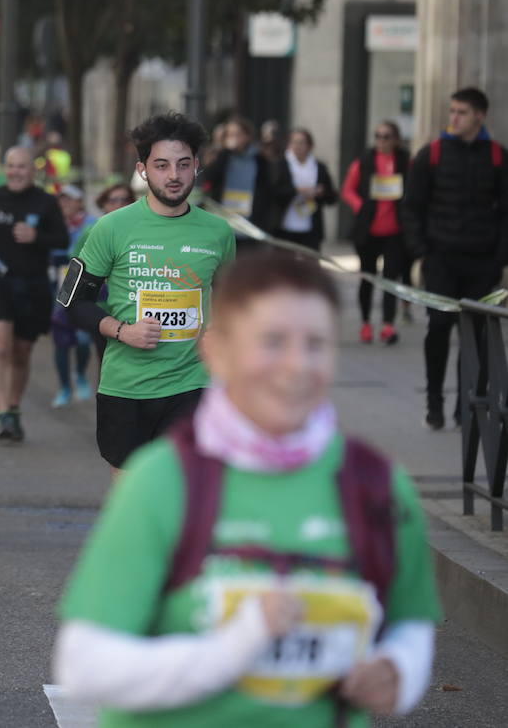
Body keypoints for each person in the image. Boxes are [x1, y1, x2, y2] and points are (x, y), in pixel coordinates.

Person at [54, 252, 439, 726]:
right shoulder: (162, 481)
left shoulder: (377, 484)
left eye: (316, 344)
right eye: (272, 342)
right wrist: (239, 644)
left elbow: (411, 626)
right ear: (216, 351)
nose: (297, 366)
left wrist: (399, 669)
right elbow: (85, 666)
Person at [60, 113, 234, 475]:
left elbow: (232, 300)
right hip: (127, 386)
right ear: (142, 170)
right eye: (162, 165)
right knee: (131, 500)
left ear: (197, 167)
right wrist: (123, 331)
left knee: (182, 492)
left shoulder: (218, 233)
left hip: (193, 383)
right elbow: (73, 302)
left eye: (183, 165)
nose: (174, 175)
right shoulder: (111, 228)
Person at [402, 86, 508, 430]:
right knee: (439, 326)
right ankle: (435, 401)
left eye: (461, 112)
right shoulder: (431, 155)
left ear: (479, 115)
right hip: (441, 259)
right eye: (452, 111)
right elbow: (412, 208)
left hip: (481, 261)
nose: (453, 118)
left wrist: (499, 260)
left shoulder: (497, 157)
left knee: (475, 334)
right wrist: (421, 252)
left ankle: (468, 405)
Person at [0, 147, 68, 442]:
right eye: (11, 166)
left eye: (22, 167)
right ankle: (3, 412)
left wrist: (36, 237)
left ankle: (14, 407)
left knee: (21, 351)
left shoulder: (46, 202)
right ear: (4, 168)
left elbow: (62, 239)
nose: (16, 172)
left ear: (33, 170)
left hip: (33, 285)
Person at [342, 121, 410, 346]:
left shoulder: (405, 162)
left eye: (386, 136)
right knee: (368, 277)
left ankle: (388, 325)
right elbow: (347, 190)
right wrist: (359, 205)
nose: (381, 140)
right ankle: (365, 323)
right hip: (368, 232)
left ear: (396, 139)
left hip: (395, 232)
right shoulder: (364, 161)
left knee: (391, 279)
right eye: (378, 136)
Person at [200, 116, 293, 240]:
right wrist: (225, 152)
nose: (234, 138)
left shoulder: (259, 159)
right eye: (230, 134)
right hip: (224, 221)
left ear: (247, 136)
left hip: (250, 222)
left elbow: (268, 190)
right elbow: (209, 179)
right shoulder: (221, 156)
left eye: (237, 134)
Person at [50, 184, 96, 407]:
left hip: (85, 285)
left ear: (80, 202)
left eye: (71, 199)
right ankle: (64, 387)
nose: (65, 204)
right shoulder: (54, 223)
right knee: (60, 338)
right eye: (62, 199)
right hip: (59, 283)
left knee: (83, 338)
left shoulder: (91, 224)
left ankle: (80, 374)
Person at [273, 128, 337, 253]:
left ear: (309, 146)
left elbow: (332, 196)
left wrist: (321, 192)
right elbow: (273, 191)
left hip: (311, 227)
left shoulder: (319, 167)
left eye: (301, 142)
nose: (297, 146)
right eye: (294, 142)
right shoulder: (280, 165)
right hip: (284, 226)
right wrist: (298, 191)